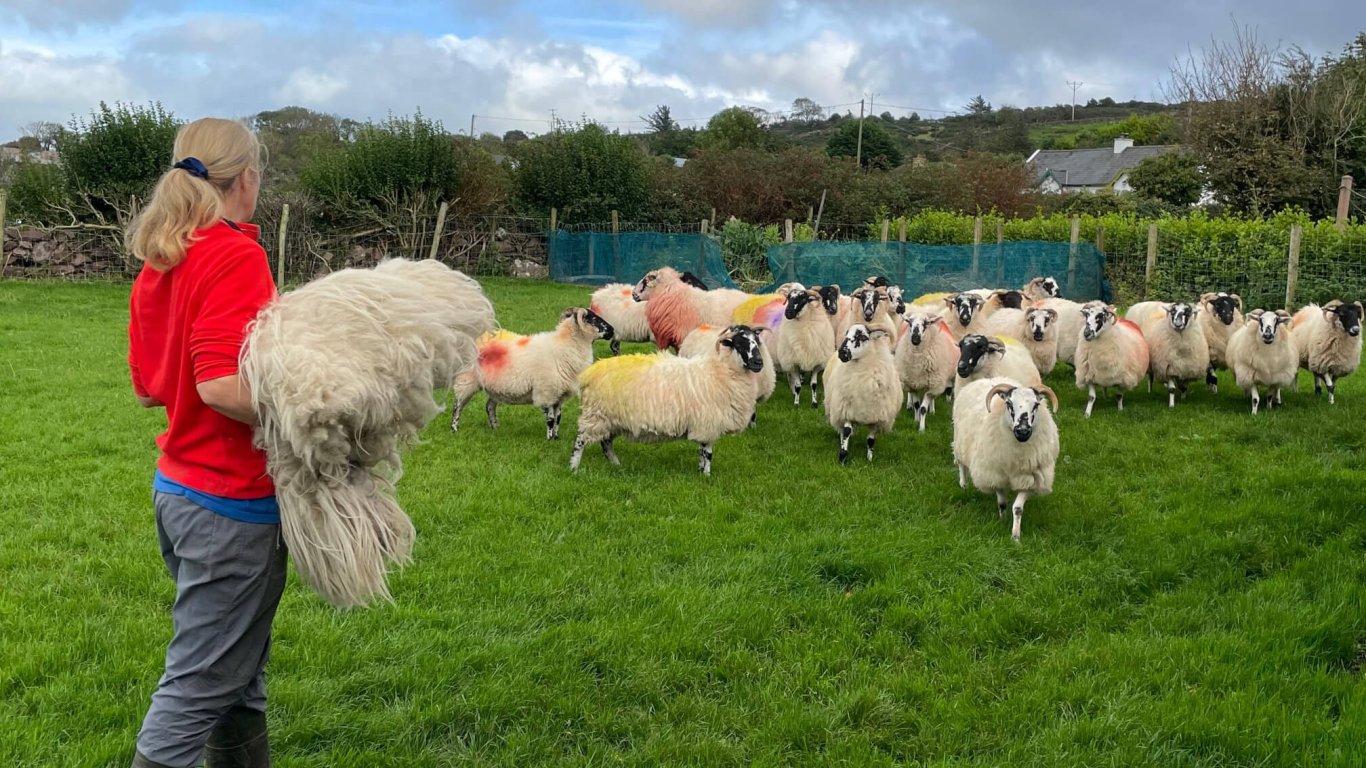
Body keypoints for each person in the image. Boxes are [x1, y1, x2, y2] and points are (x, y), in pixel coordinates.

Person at [125, 117, 283, 768]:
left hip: (179, 492)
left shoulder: (164, 254)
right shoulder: (234, 253)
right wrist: (314, 415)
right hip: (230, 505)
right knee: (196, 688)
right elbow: (219, 383)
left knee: (236, 677)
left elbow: (145, 387)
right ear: (248, 179)